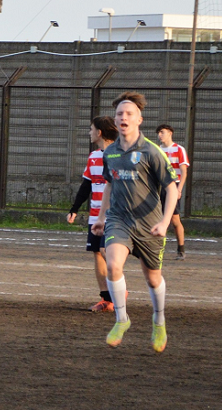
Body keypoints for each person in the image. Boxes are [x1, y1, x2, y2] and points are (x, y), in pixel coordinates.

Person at [91, 92, 178, 353]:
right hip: (120, 219)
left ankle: (159, 321)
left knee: (153, 279)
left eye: (129, 114)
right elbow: (109, 184)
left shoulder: (151, 151)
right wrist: (101, 216)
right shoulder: (111, 153)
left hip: (150, 223)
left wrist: (164, 223)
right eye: (119, 114)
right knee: (113, 265)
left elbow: (172, 189)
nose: (123, 117)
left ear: (139, 119)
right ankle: (121, 320)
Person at [68, 116, 119, 312]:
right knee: (98, 253)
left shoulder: (120, 155)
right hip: (95, 215)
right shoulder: (93, 156)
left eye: (91, 129)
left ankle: (119, 288)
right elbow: (86, 184)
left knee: (108, 252)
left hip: (115, 215)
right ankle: (106, 299)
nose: (89, 132)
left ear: (99, 132)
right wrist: (74, 209)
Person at [156, 124, 190, 260]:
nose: (159, 135)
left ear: (170, 133)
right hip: (160, 186)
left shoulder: (179, 149)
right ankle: (156, 250)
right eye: (158, 133)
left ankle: (181, 249)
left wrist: (179, 189)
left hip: (173, 186)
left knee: (175, 219)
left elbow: (184, 171)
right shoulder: (157, 150)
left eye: (162, 132)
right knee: (157, 217)